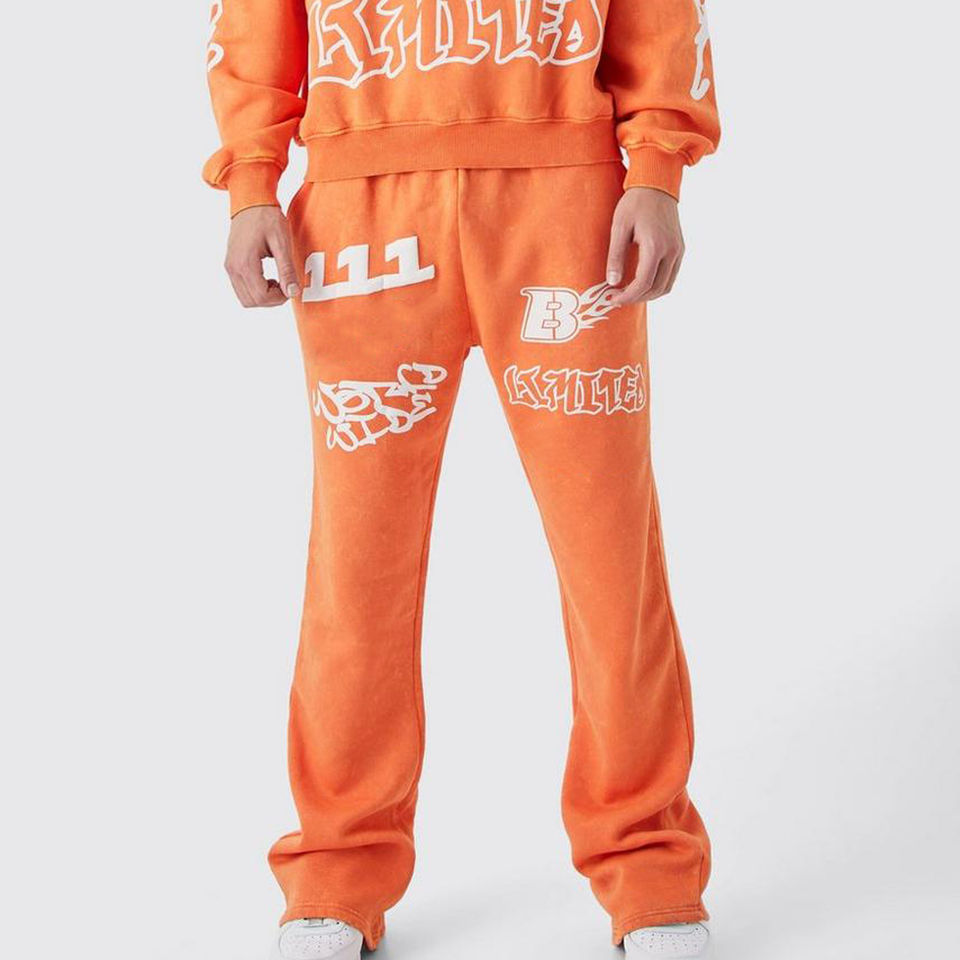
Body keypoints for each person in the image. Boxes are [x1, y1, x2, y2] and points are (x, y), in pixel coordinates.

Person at [204, 1, 720, 957]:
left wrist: (657, 171)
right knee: (358, 563)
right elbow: (253, 27)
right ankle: (337, 865)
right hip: (360, 213)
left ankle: (648, 863)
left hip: (568, 206)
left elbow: (659, 15)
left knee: (610, 554)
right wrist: (250, 184)